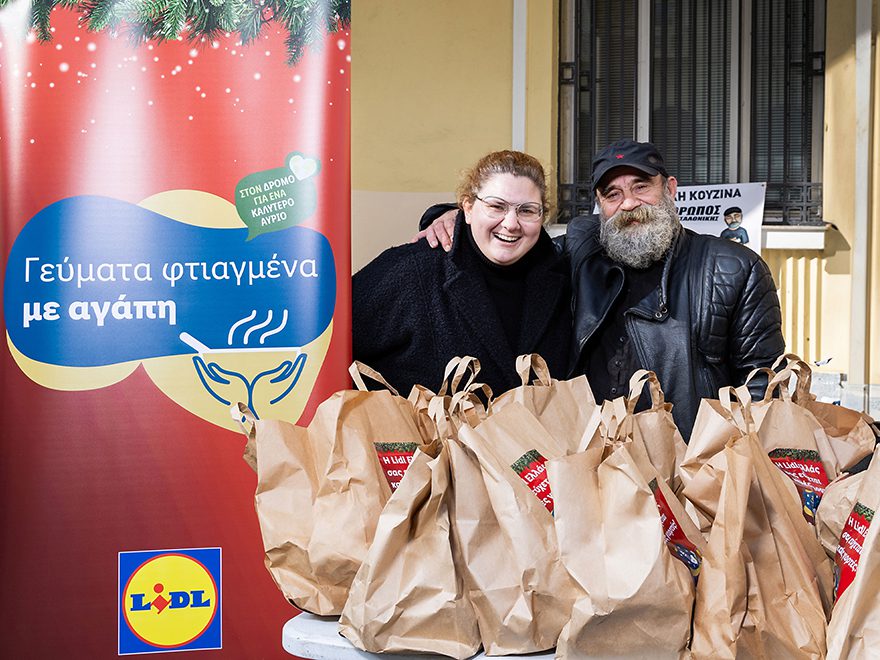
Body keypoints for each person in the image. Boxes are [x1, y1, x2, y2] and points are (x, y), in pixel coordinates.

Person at [417, 139, 785, 439]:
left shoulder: (733, 268)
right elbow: (511, 241)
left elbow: (763, 387)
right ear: (600, 206)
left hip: (687, 468)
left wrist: (715, 464)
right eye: (612, 194)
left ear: (670, 189)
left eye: (641, 187)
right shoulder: (579, 253)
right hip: (587, 463)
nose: (628, 203)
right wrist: (453, 216)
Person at [352, 150, 572, 397]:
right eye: (496, 206)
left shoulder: (562, 279)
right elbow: (329, 343)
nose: (511, 223)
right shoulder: (413, 271)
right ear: (467, 208)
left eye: (527, 210)